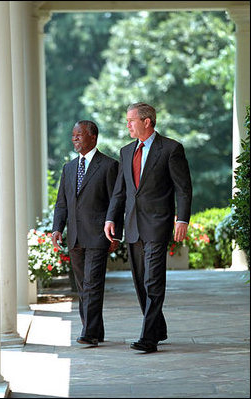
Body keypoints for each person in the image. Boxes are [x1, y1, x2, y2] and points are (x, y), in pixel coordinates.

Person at [104, 103, 192, 353]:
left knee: (153, 280)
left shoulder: (171, 149)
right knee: (141, 282)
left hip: (157, 224)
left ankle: (148, 338)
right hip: (132, 225)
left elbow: (183, 188)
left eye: (131, 120)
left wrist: (182, 219)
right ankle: (158, 328)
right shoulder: (126, 151)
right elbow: (120, 191)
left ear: (147, 122)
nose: (128, 125)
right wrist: (111, 219)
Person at [52, 120, 122, 346]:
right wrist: (57, 229)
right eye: (73, 135)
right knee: (83, 286)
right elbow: (61, 203)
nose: (75, 139)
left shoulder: (109, 166)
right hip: (74, 237)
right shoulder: (68, 168)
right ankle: (95, 330)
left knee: (92, 284)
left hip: (99, 236)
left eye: (79, 135)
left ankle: (89, 333)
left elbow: (117, 202)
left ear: (93, 137)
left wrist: (116, 234)